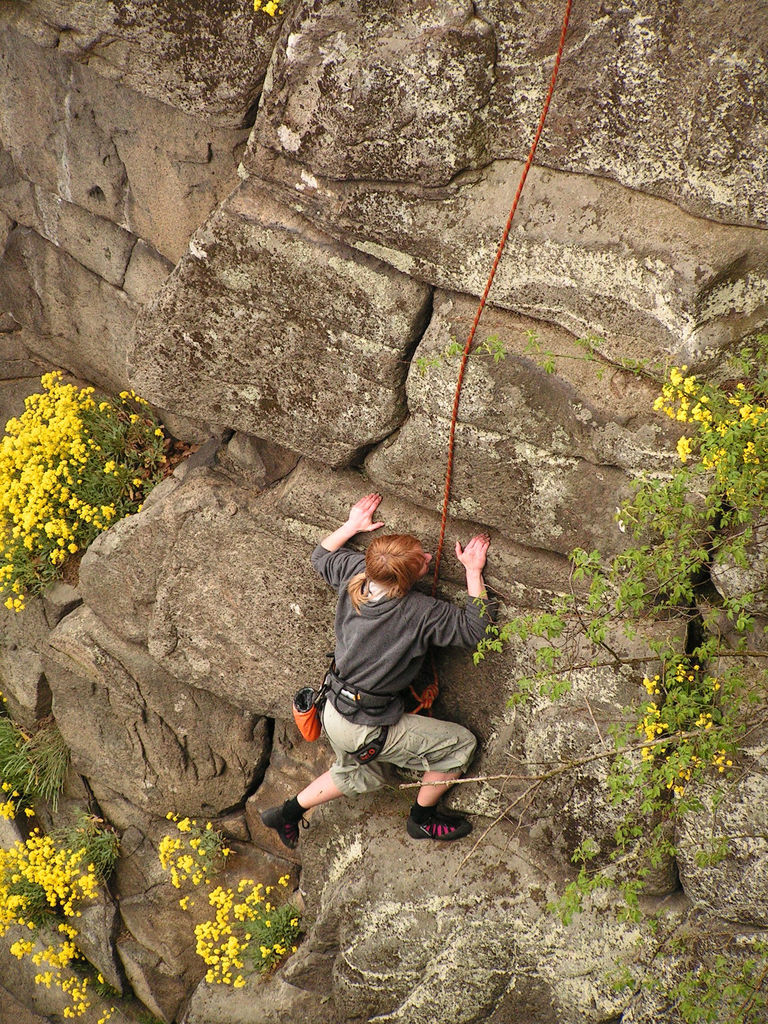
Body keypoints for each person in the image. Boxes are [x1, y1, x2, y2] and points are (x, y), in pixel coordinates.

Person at [260, 493, 492, 846]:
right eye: (422, 562)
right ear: (405, 582)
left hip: (335, 712)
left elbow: (320, 555)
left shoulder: (356, 575)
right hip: (365, 725)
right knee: (460, 745)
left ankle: (286, 813)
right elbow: (477, 632)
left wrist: (352, 525)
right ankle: (422, 819)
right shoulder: (419, 611)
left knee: (360, 774)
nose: (430, 557)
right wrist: (473, 573)